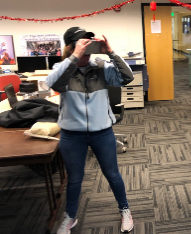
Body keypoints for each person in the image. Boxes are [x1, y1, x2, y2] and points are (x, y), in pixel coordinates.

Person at [46, 27, 135, 234]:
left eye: (89, 41)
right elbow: (54, 84)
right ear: (70, 46)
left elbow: (127, 78)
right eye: (81, 42)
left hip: (101, 133)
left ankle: (125, 210)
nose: (87, 45)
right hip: (71, 135)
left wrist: (110, 52)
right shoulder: (63, 68)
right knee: (75, 178)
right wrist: (74, 58)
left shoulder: (102, 67)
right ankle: (71, 217)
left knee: (112, 174)